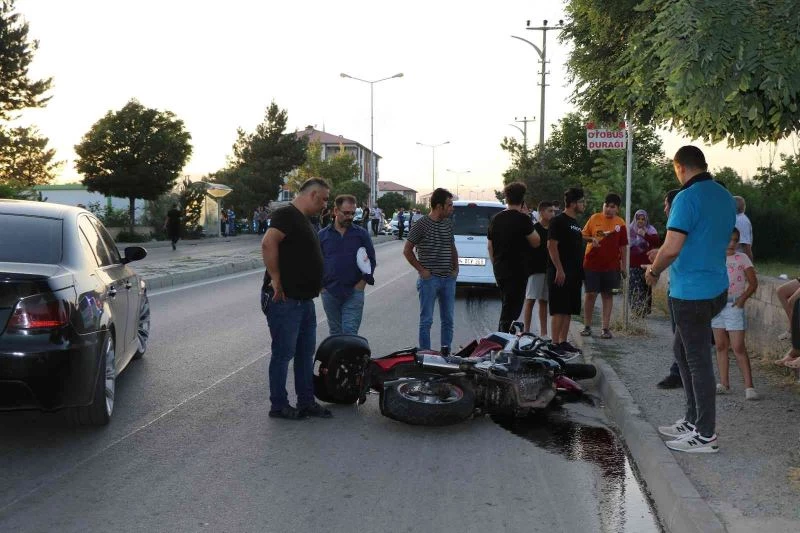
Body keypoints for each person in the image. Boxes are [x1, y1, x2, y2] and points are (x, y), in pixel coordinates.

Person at [646, 145, 735, 453]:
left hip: (691, 293)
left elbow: (671, 248)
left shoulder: (686, 198)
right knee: (682, 352)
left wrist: (654, 271)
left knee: (697, 361)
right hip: (716, 287)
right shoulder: (725, 196)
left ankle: (706, 434)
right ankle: (693, 419)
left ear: (680, 167)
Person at [261, 177, 332, 420]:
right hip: (286, 300)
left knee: (304, 354)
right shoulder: (287, 214)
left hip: (304, 300)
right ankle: (278, 405)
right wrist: (275, 277)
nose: (325, 205)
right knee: (283, 355)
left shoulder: (305, 220)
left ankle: (306, 401)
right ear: (312, 195)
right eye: (323, 199)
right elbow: (268, 242)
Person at [403, 188, 458, 353]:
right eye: (449, 205)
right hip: (430, 280)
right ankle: (425, 354)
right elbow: (407, 250)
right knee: (426, 320)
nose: (452, 208)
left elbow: (452, 246)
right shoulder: (420, 225)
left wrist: (456, 268)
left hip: (448, 279)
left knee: (448, 320)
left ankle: (446, 352)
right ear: (439, 206)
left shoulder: (448, 223)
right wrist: (421, 270)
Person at [712, 228, 760, 400]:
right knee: (720, 345)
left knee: (738, 346)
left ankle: (749, 386)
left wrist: (742, 300)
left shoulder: (742, 258)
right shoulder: (715, 257)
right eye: (729, 239)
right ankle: (724, 383)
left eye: (735, 240)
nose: (732, 243)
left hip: (734, 306)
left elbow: (753, 283)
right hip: (717, 306)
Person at [318, 194, 377, 336]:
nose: (350, 217)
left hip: (353, 292)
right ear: (335, 211)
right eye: (346, 213)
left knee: (350, 333)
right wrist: (321, 287)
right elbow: (314, 263)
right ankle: (338, 359)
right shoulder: (322, 235)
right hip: (330, 292)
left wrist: (362, 283)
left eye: (352, 213)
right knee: (336, 333)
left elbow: (371, 260)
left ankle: (350, 358)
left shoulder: (361, 234)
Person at [488, 182, 541, 333]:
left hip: (500, 269)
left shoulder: (495, 219)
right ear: (522, 200)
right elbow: (536, 242)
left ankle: (504, 336)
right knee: (512, 310)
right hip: (518, 271)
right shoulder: (523, 219)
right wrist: (528, 218)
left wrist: (495, 264)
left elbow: (489, 246)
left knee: (507, 304)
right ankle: (501, 338)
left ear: (506, 198)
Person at [580, 193, 628, 339]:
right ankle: (587, 326)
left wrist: (623, 266)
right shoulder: (594, 218)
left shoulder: (621, 223)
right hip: (591, 265)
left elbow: (624, 246)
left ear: (617, 209)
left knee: (608, 295)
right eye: (606, 205)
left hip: (612, 267)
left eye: (612, 207)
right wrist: (591, 239)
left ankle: (605, 328)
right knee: (590, 294)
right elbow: (582, 235)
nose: (608, 209)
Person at [547, 187, 586, 356]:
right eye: (582, 202)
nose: (584, 204)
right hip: (561, 272)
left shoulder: (575, 223)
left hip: (575, 273)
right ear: (573, 203)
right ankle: (554, 343)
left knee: (569, 308)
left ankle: (563, 341)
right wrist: (559, 270)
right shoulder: (558, 221)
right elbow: (551, 246)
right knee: (559, 308)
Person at [652, 189, 684, 389]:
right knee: (679, 334)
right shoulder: (676, 225)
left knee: (680, 335)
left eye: (666, 204)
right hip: (677, 286)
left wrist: (653, 271)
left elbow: (674, 251)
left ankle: (679, 373)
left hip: (683, 290)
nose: (664, 208)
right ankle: (679, 371)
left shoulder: (680, 224)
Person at [522, 201, 554, 336]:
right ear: (541, 212)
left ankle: (544, 333)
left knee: (544, 301)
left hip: (549, 269)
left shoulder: (553, 230)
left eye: (553, 211)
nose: (552, 213)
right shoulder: (534, 229)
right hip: (535, 270)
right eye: (549, 211)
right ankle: (526, 331)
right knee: (530, 300)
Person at [628, 209, 660, 318]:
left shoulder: (651, 230)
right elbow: (624, 245)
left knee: (645, 288)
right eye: (638, 219)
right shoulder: (630, 229)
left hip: (647, 264)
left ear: (646, 220)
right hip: (633, 264)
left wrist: (645, 234)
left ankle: (643, 310)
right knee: (634, 288)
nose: (640, 221)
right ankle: (636, 311)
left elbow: (656, 242)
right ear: (635, 219)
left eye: (643, 219)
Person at [733, 196, 753, 261]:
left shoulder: (741, 220)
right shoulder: (740, 220)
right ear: (744, 207)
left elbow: (745, 245)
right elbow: (746, 245)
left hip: (739, 260)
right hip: (736, 260)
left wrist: (749, 265)